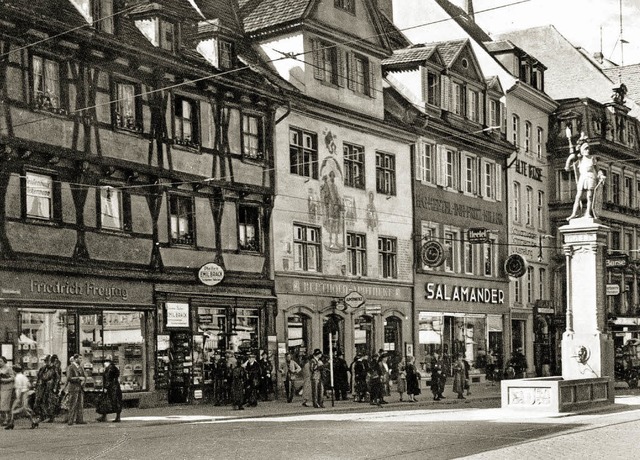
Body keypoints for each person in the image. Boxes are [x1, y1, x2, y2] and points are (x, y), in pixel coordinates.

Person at [565, 141, 606, 220]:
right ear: (582, 150)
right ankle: (574, 213)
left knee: (589, 196)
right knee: (578, 196)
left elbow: (598, 169)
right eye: (586, 149)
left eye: (588, 149)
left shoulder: (592, 159)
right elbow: (567, 169)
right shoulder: (579, 160)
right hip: (582, 178)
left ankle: (588, 212)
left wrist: (601, 175)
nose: (588, 150)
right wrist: (569, 159)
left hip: (590, 177)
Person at [4, 365, 38, 430]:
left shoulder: (17, 378)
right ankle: (33, 422)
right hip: (26, 393)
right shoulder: (24, 376)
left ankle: (11, 423)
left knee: (14, 409)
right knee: (24, 409)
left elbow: (19, 388)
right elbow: (29, 385)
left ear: (14, 371)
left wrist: (18, 398)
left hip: (21, 395)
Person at [34, 355, 60, 423]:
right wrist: (37, 385)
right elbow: (39, 377)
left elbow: (57, 379)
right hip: (42, 387)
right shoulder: (43, 368)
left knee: (50, 402)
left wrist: (55, 387)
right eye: (45, 361)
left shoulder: (54, 368)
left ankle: (50, 417)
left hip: (50, 387)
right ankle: (42, 416)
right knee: (40, 401)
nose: (46, 362)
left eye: (47, 361)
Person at [96, 356, 122, 423]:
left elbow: (108, 378)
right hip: (115, 387)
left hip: (111, 388)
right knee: (113, 401)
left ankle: (105, 416)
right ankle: (115, 416)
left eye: (105, 362)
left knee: (108, 401)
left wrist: (106, 387)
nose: (104, 363)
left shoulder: (109, 369)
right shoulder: (113, 368)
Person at [66, 354, 87, 425]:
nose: (81, 360)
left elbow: (84, 376)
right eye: (80, 358)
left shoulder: (80, 367)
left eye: (81, 358)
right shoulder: (70, 367)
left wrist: (84, 381)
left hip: (80, 388)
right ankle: (70, 420)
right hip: (73, 388)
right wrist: (79, 378)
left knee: (80, 404)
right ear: (75, 359)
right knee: (73, 404)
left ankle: (80, 419)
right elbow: (69, 378)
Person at [0, 356, 15, 426]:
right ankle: (3, 418)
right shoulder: (0, 369)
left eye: (1, 361)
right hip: (1, 387)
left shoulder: (8, 368)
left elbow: (13, 378)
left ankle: (6, 418)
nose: (0, 363)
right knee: (2, 403)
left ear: (4, 361)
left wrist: (4, 380)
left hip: (7, 387)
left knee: (5, 403)